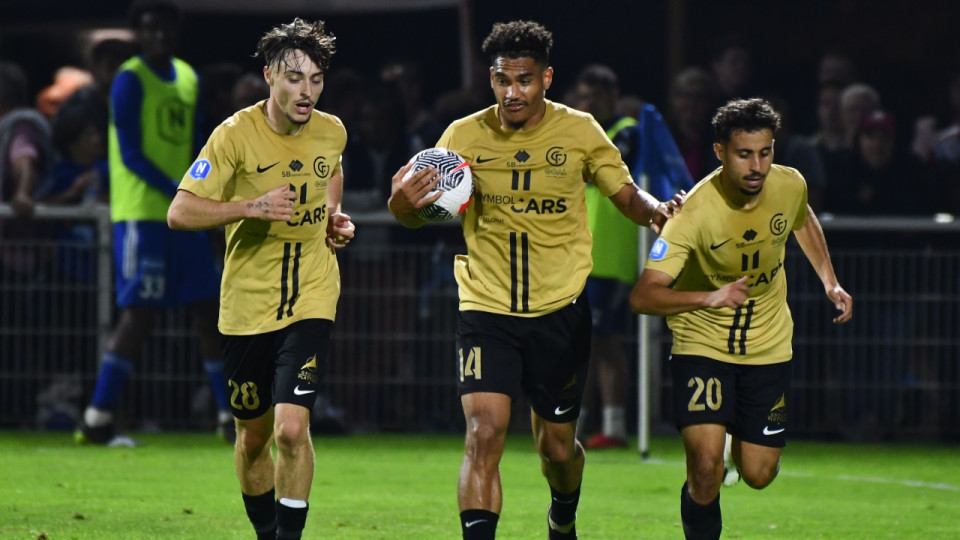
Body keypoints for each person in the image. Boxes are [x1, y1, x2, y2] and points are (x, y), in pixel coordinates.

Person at [387, 20, 680, 539]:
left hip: (559, 310)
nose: (512, 92)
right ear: (491, 80)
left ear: (546, 77)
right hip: (485, 309)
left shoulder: (581, 130)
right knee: (483, 433)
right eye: (502, 81)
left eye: (524, 80)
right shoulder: (461, 137)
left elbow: (628, 195)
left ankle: (561, 515)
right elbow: (419, 211)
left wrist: (657, 211)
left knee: (557, 450)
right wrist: (400, 205)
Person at [630, 98, 853, 539]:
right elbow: (643, 296)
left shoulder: (789, 185)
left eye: (765, 152)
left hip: (767, 343)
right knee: (706, 469)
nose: (757, 165)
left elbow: (801, 217)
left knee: (759, 473)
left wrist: (830, 280)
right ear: (720, 152)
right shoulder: (691, 213)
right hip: (703, 344)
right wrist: (709, 298)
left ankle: (736, 446)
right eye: (744, 154)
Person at [166, 18, 353, 540]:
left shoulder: (331, 129)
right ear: (269, 75)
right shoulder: (233, 135)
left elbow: (332, 168)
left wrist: (334, 214)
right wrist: (252, 206)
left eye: (316, 79)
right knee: (252, 438)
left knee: (292, 428)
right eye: (295, 78)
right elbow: (179, 213)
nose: (307, 91)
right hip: (247, 305)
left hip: (313, 293)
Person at [74, 0, 232, 445]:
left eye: (166, 29)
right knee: (139, 313)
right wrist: (183, 189)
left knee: (206, 312)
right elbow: (130, 154)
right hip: (143, 214)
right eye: (150, 30)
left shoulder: (187, 77)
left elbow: (195, 144)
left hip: (183, 216)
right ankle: (97, 417)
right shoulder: (129, 79)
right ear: (139, 34)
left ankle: (227, 417)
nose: (160, 37)